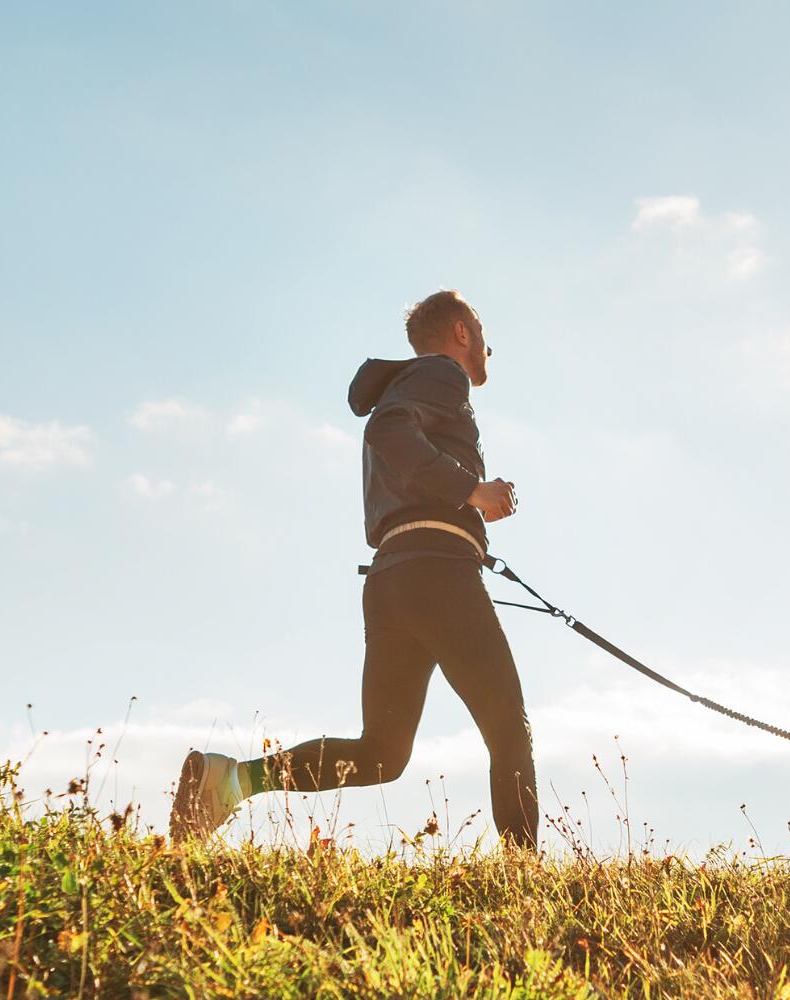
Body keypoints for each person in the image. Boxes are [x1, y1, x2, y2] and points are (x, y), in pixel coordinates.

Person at [168, 289, 539, 848]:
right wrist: (472, 490)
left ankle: (232, 779)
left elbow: (393, 436)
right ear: (462, 332)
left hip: (393, 579)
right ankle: (523, 879)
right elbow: (387, 430)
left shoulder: (412, 383)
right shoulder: (442, 374)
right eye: (482, 332)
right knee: (509, 728)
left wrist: (468, 504)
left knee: (382, 753)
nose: (490, 347)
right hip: (437, 576)